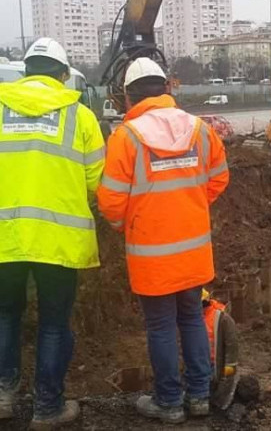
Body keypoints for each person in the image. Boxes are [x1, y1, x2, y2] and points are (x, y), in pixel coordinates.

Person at [97, 58, 229, 424]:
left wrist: (129, 224)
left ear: (128, 97)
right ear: (167, 89)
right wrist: (190, 206)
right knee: (190, 318)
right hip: (194, 252)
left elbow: (110, 200)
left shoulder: (126, 137)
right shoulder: (200, 129)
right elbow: (218, 179)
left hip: (151, 256)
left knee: (160, 326)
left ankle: (169, 402)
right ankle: (199, 396)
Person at [0, 38, 105, 429]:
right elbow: (98, 181)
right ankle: (47, 408)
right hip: (58, 242)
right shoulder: (81, 117)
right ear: (63, 76)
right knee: (53, 323)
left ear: (26, 72)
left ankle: (3, 396)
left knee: (5, 315)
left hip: (4, 239)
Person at [201, 289, 238, 410]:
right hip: (200, 361)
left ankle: (217, 404)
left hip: (214, 363)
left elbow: (231, 342)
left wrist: (230, 364)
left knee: (222, 383)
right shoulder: (192, 318)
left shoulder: (221, 318)